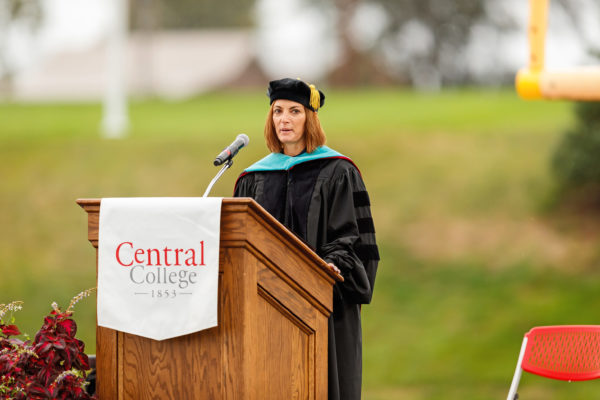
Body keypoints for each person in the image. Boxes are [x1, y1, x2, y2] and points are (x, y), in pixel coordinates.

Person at [234, 77, 379, 400]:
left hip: (324, 303)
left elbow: (352, 239)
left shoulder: (339, 171)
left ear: (310, 118)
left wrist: (329, 266)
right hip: (266, 306)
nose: (284, 120)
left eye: (294, 111)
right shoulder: (254, 177)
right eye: (278, 111)